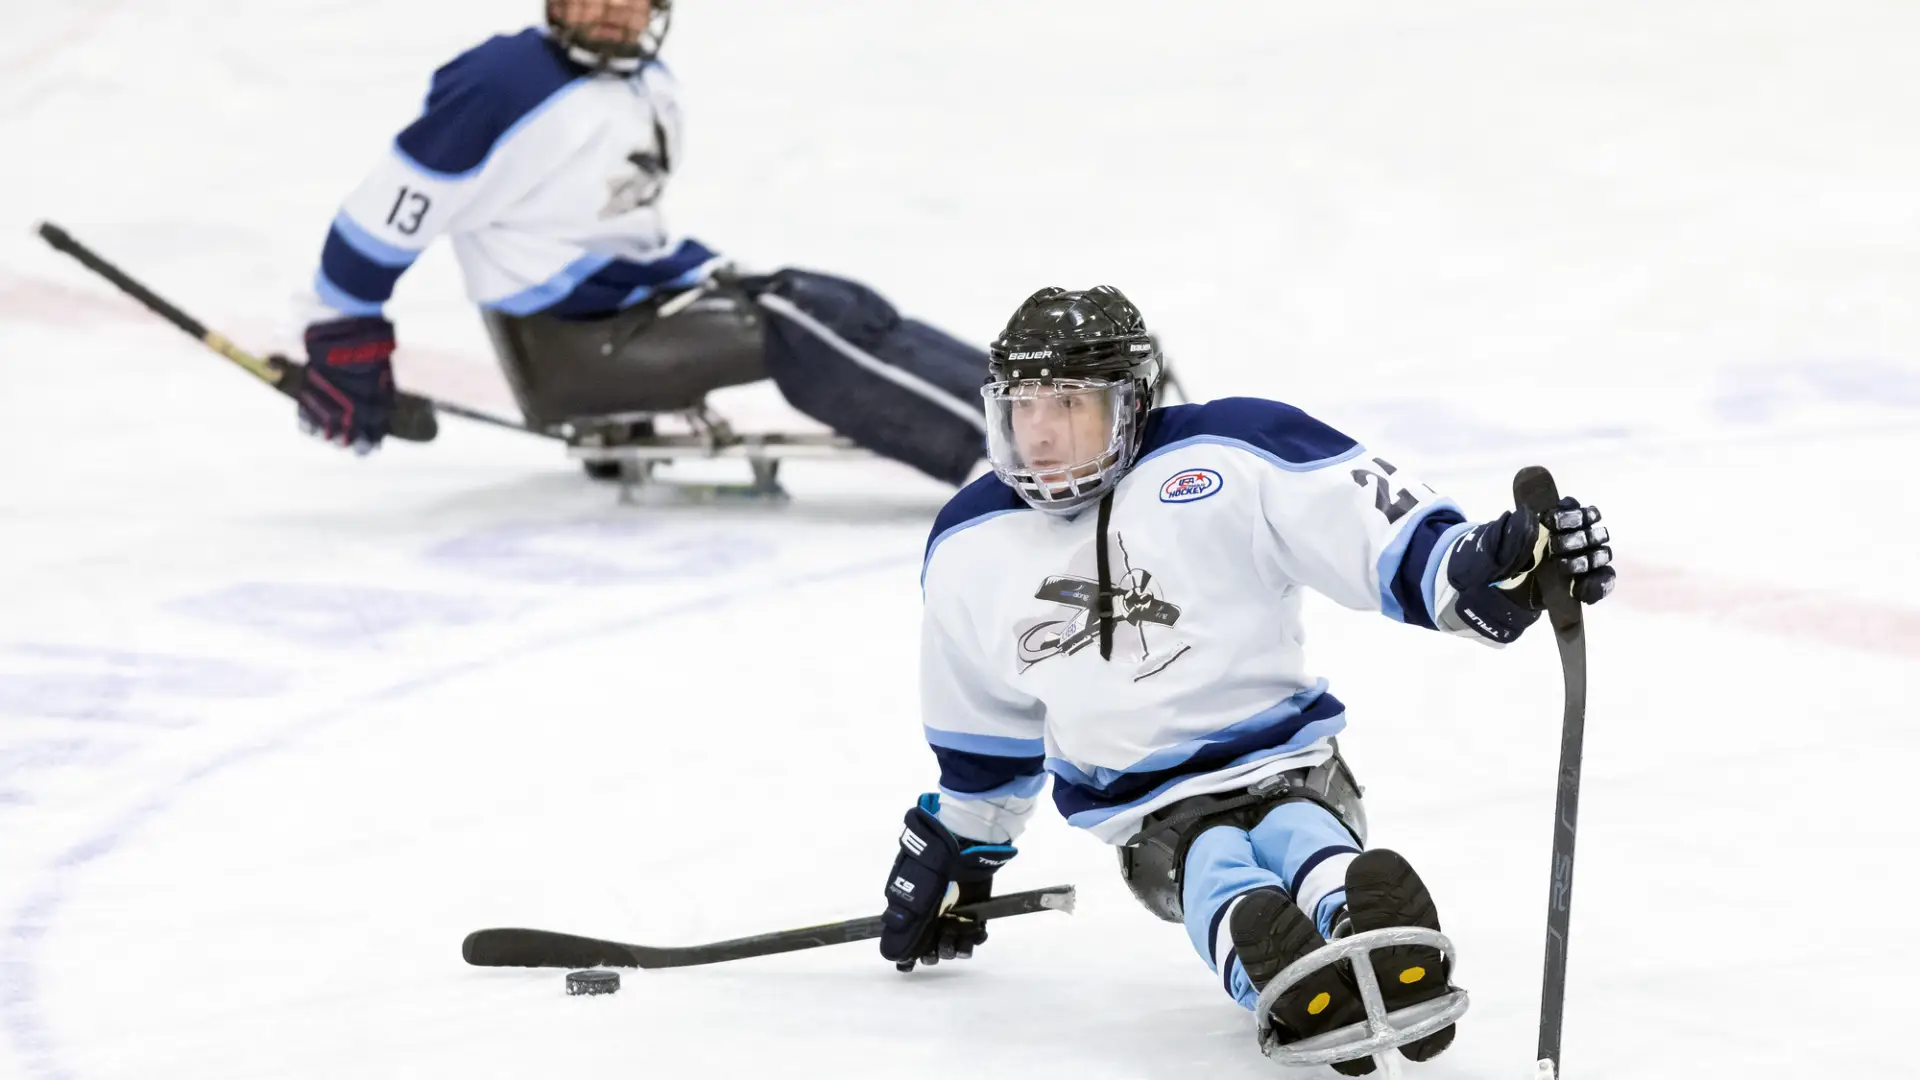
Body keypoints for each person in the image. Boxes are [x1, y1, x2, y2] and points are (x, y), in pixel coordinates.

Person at [876, 285, 1616, 1073]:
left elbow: (1382, 533)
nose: (1041, 431)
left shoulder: (1231, 450)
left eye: (1068, 403)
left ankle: (1368, 930)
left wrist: (1492, 564)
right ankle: (1289, 970)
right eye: (1022, 406)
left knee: (1303, 834)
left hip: (1294, 770)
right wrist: (959, 850)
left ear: (1131, 402)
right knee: (1212, 862)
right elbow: (984, 734)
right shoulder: (968, 544)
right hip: (1152, 817)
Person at [294, 0, 989, 486]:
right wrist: (343, 335)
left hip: (630, 306)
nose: (613, 10)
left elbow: (612, 225)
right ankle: (999, 458)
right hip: (573, 344)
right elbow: (381, 216)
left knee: (836, 302)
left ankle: (1037, 409)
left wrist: (702, 269)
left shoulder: (643, 82)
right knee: (799, 326)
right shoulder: (499, 84)